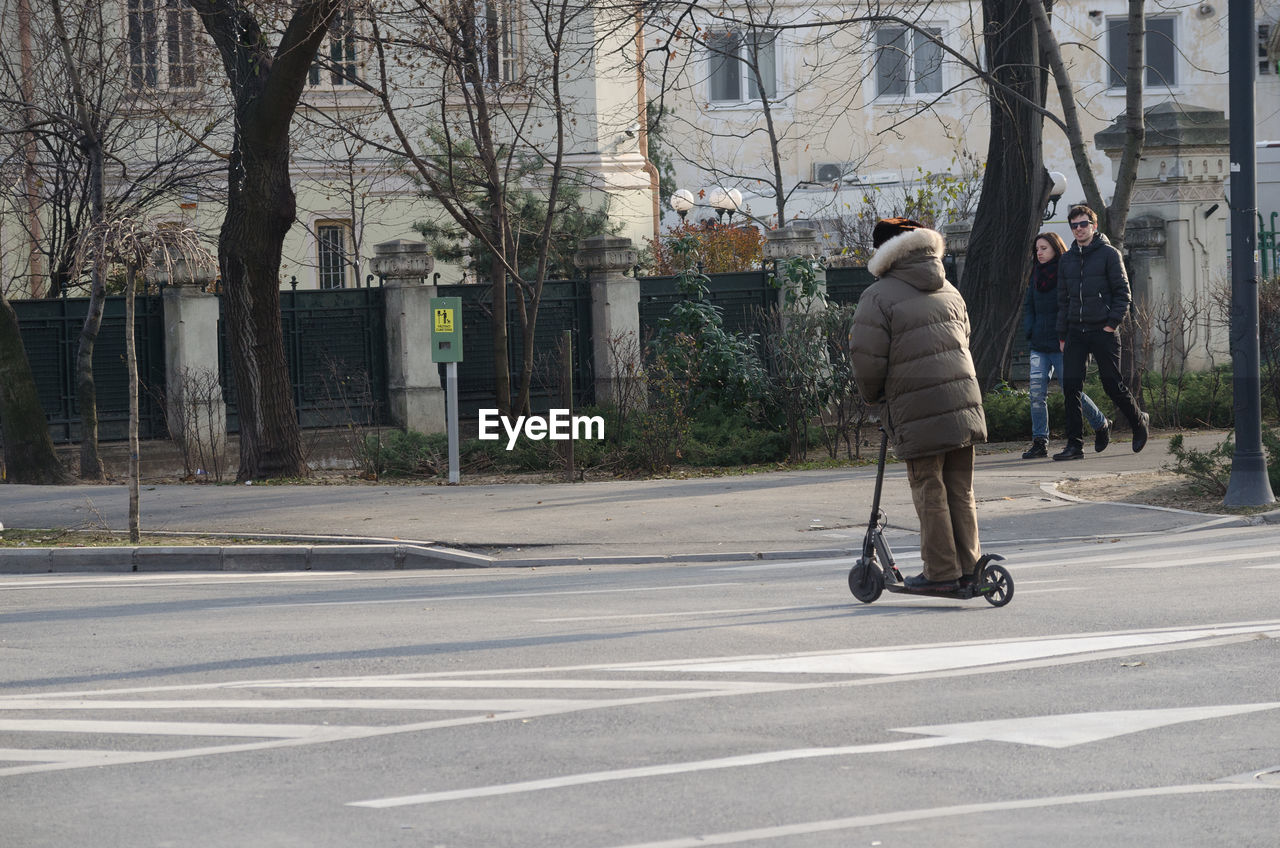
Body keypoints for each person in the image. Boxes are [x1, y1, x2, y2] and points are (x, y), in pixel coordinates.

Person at [849, 218, 987, 590]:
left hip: (917, 405)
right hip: (963, 402)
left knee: (929, 486)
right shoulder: (950, 289)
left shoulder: (878, 296)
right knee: (960, 487)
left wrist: (874, 397)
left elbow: (866, 359)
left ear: (885, 252)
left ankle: (941, 572)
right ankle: (970, 566)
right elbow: (965, 338)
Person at [1055, 205, 1149, 460]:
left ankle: (1139, 422)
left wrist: (1111, 324)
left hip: (1103, 330)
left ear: (1093, 226)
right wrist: (1062, 334)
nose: (1078, 230)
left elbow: (1123, 294)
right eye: (1074, 226)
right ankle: (1074, 445)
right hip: (1075, 331)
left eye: (1083, 224)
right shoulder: (1067, 259)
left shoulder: (1109, 254)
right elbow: (1063, 300)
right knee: (1071, 386)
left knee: (1112, 384)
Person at [1021, 231, 1110, 459]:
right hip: (1039, 344)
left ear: (1055, 249)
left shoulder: (1067, 273)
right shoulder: (1035, 274)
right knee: (1036, 394)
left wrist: (1067, 336)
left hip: (1063, 343)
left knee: (1071, 391)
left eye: (1044, 249)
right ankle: (1040, 441)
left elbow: (1072, 307)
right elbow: (1029, 305)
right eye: (1037, 249)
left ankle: (1101, 424)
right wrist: (1030, 330)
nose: (1039, 253)